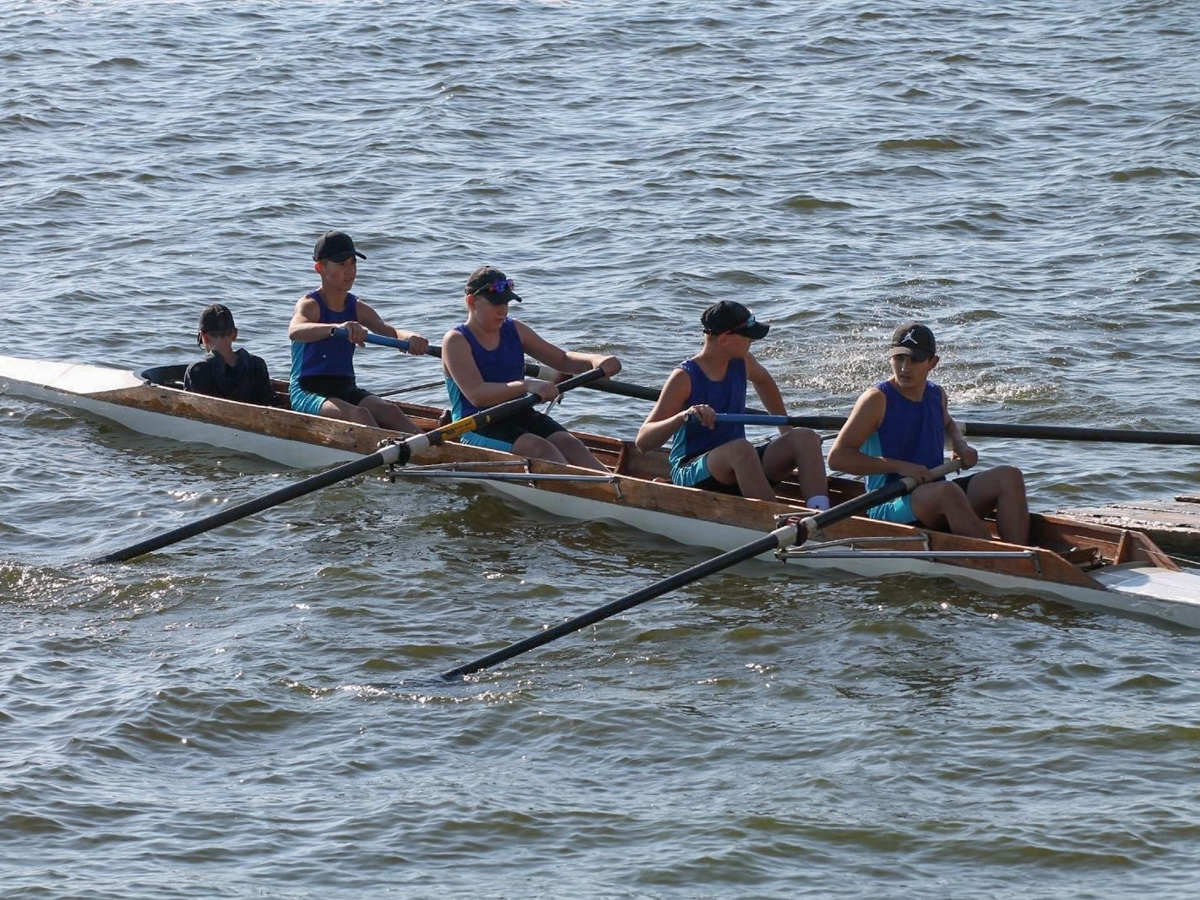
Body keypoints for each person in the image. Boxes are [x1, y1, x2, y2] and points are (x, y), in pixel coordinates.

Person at [828, 322, 1030, 543]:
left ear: (933, 362)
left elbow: (948, 423)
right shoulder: (876, 400)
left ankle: (1023, 554)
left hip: (934, 496)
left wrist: (959, 444)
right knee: (947, 492)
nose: (905, 368)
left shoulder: (936, 394)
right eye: (899, 358)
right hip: (887, 505)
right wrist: (898, 466)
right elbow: (837, 458)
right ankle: (1008, 562)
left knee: (1009, 476)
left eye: (915, 360)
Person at [635, 300, 830, 508]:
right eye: (748, 335)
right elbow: (643, 441)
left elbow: (764, 381)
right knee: (741, 449)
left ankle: (819, 514)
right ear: (725, 339)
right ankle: (782, 523)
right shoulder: (684, 377)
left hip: (740, 464)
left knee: (805, 438)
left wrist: (785, 432)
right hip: (692, 470)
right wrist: (682, 417)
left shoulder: (744, 361)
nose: (752, 341)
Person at [441, 266, 622, 470]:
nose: (503, 310)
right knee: (542, 449)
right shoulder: (456, 341)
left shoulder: (515, 329)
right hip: (476, 424)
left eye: (506, 303)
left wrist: (594, 360)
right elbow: (477, 395)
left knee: (571, 445)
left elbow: (562, 359)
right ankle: (582, 495)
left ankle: (612, 490)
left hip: (518, 413)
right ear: (471, 301)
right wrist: (525, 385)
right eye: (495, 303)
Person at [288, 230, 429, 431]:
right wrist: (336, 328)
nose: (350, 270)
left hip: (345, 388)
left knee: (391, 412)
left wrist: (413, 338)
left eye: (353, 263)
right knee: (359, 415)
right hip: (307, 391)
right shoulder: (310, 305)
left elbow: (389, 331)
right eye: (342, 264)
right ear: (320, 268)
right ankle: (388, 455)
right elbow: (295, 330)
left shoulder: (356, 307)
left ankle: (428, 456)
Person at [184, 303, 280, 407]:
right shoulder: (257, 364)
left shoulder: (197, 370)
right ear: (235, 334)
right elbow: (270, 401)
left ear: (204, 337)